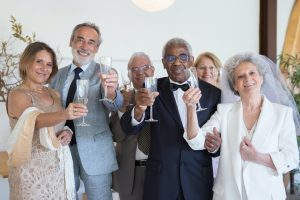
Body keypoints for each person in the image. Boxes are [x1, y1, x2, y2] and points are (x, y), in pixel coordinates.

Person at [186, 52, 300, 200]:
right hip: (229, 195)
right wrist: (190, 108)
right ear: (234, 85)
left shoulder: (282, 114)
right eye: (240, 76)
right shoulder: (224, 111)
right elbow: (197, 141)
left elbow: (291, 158)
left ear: (261, 78)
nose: (247, 79)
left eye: (252, 73)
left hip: (267, 194)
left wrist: (258, 157)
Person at [120, 38, 221, 200]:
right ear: (163, 63)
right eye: (170, 58)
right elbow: (128, 127)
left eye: (183, 56)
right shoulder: (151, 87)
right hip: (161, 180)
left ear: (191, 61)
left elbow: (219, 139)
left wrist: (216, 147)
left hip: (198, 179)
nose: (176, 63)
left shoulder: (213, 94)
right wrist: (139, 108)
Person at [49, 22, 123, 200]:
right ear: (71, 41)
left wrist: (111, 92)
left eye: (91, 42)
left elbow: (114, 104)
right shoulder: (57, 75)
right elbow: (51, 109)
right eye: (80, 40)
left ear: (96, 48)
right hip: (62, 149)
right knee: (65, 196)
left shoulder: (105, 72)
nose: (84, 46)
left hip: (96, 151)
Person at [6, 41, 87, 200]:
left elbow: (58, 125)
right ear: (27, 62)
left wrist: (67, 132)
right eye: (39, 62)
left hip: (58, 169)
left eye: (49, 64)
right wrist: (65, 114)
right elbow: (35, 121)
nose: (44, 68)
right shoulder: (17, 94)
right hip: (30, 171)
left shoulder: (54, 94)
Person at [111, 52, 155, 200]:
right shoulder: (122, 98)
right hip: (129, 174)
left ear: (153, 70)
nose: (140, 72)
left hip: (158, 172)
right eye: (134, 69)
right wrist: (122, 108)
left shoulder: (163, 98)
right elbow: (117, 136)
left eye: (145, 67)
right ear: (129, 74)